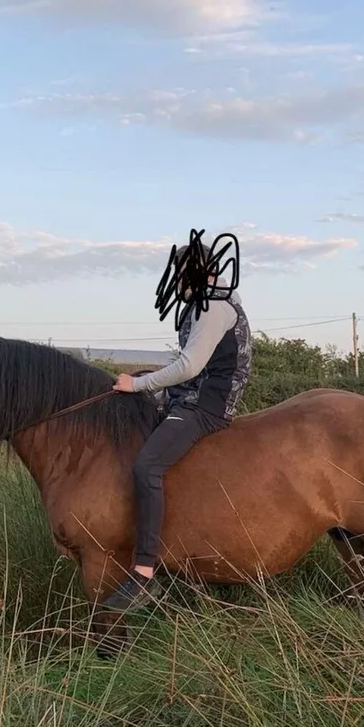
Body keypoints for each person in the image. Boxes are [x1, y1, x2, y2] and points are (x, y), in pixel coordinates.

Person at [102, 239, 252, 611]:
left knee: (148, 465)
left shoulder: (214, 308)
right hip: (190, 394)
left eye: (184, 275)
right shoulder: (206, 304)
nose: (180, 283)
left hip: (204, 405)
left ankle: (145, 570)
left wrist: (137, 384)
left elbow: (189, 367)